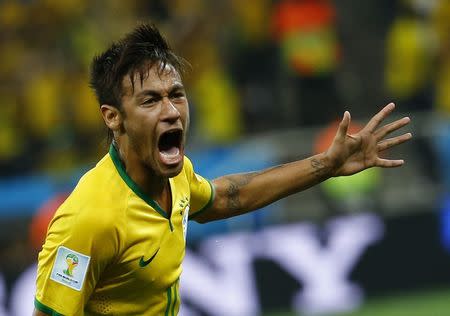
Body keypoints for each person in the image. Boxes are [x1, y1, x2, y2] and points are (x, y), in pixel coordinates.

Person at [33, 23, 412, 316]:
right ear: (113, 117)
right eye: (150, 100)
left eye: (176, 95)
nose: (170, 111)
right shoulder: (88, 220)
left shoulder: (175, 174)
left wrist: (326, 164)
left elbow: (230, 196)